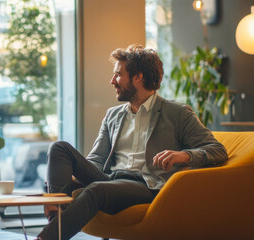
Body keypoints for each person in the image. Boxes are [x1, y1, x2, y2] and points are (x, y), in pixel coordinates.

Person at [37, 44, 228, 240]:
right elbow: (96, 159)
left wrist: (184, 155)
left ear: (138, 77)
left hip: (146, 184)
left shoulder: (178, 113)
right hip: (110, 179)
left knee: (95, 190)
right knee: (59, 148)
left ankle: (46, 238)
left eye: (118, 75)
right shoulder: (113, 115)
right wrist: (77, 179)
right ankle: (54, 217)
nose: (112, 81)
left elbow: (217, 150)